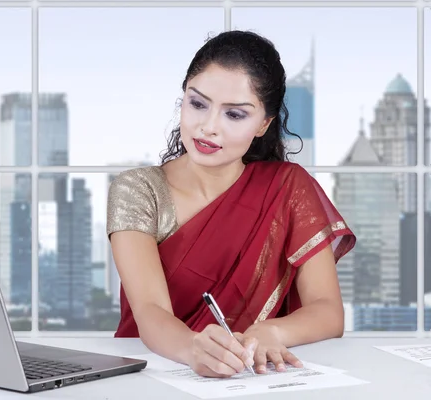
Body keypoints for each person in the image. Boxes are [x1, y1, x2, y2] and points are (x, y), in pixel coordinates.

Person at [106, 30, 356, 378]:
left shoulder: (288, 187)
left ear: (263, 125)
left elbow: (328, 312)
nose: (208, 127)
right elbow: (149, 311)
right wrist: (192, 348)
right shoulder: (138, 189)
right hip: (153, 375)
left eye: (234, 115)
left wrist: (273, 331)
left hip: (255, 377)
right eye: (197, 104)